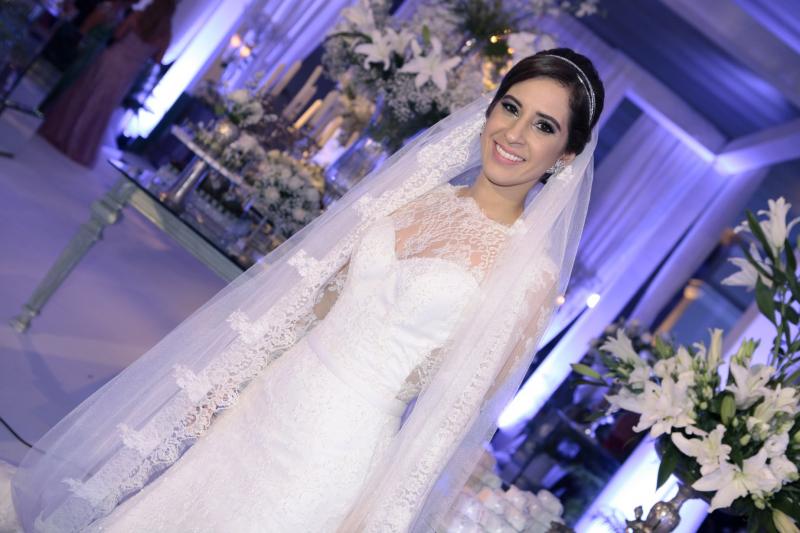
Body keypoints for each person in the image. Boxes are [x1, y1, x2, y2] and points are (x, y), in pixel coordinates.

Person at [8, 48, 605, 532]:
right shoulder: (421, 194)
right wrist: (231, 380)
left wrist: (379, 519)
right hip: (269, 399)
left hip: (334, 454)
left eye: (544, 126)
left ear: (566, 155)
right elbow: (320, 302)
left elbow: (451, 418)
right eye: (511, 107)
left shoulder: (527, 276)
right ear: (489, 109)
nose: (514, 133)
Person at [37, 0, 175, 167]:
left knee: (84, 93)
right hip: (127, 72)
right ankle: (79, 147)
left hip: (111, 59)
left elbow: (118, 34)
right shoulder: (165, 35)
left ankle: (60, 133)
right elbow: (157, 60)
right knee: (102, 107)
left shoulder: (137, 16)